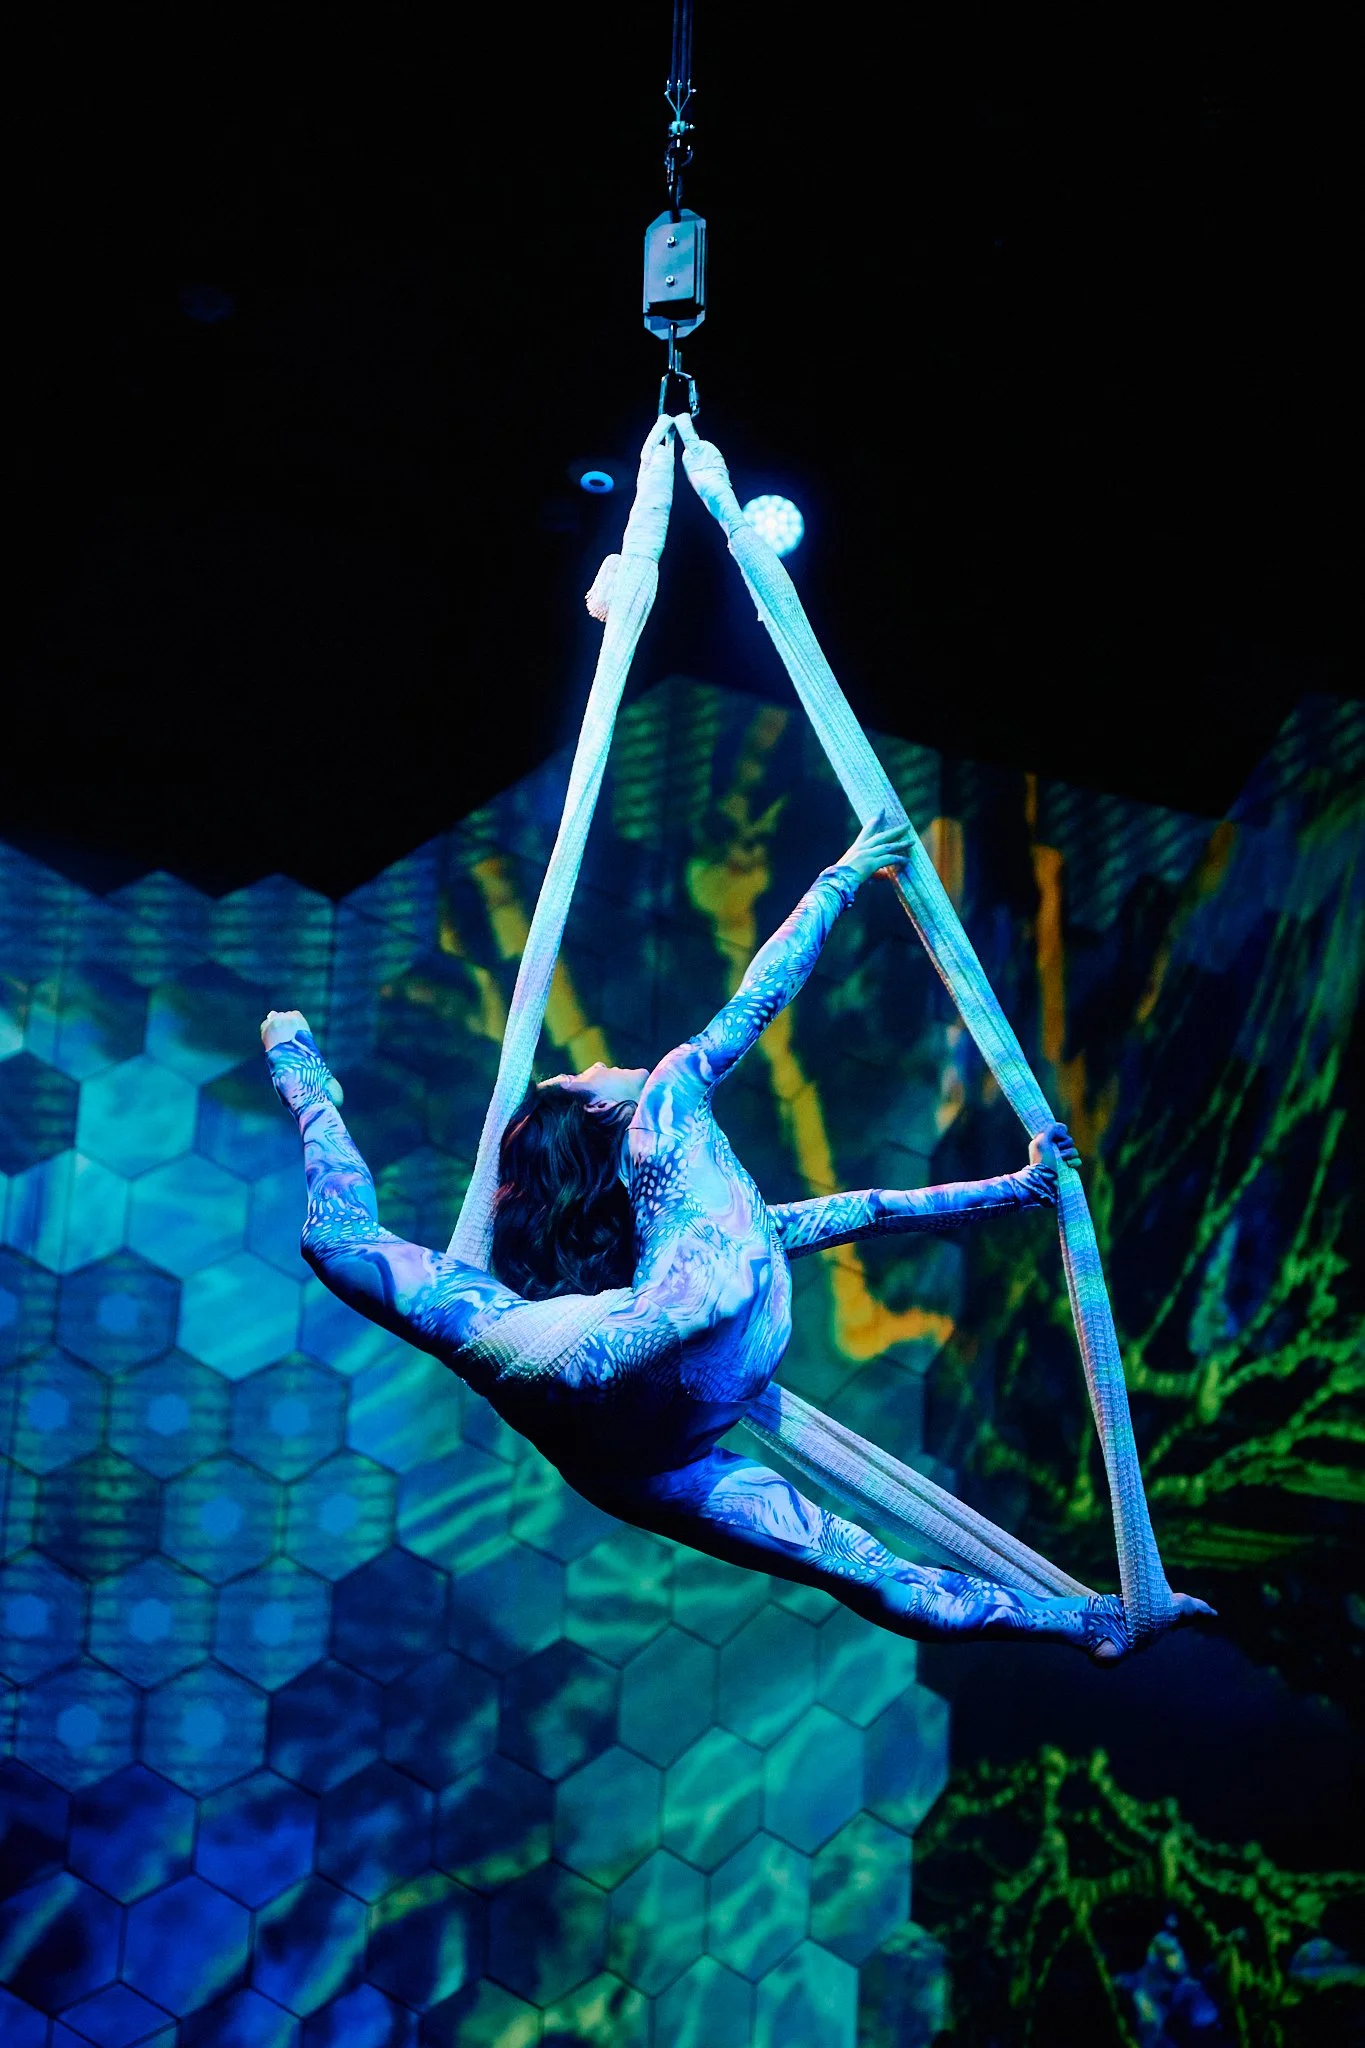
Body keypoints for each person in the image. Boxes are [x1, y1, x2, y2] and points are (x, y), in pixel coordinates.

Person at [263, 815, 1211, 1659]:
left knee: (866, 1569)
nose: (596, 1058)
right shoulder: (663, 1112)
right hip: (626, 1410)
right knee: (359, 1255)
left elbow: (866, 1209)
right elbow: (757, 1001)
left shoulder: (717, 1217)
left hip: (642, 1448)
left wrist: (1016, 1190)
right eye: (581, 1071)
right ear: (599, 1113)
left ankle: (1090, 1622)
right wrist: (844, 875)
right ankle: (308, 1083)